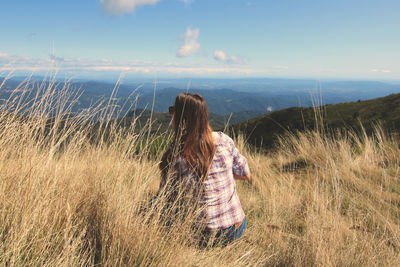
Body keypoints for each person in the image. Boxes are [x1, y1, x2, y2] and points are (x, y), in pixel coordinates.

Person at [157, 93, 251, 247]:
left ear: (179, 117)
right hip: (235, 228)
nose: (170, 114)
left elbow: (165, 200)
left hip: (201, 237)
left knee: (154, 202)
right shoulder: (224, 140)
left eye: (172, 110)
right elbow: (245, 174)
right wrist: (223, 172)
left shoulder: (175, 157)